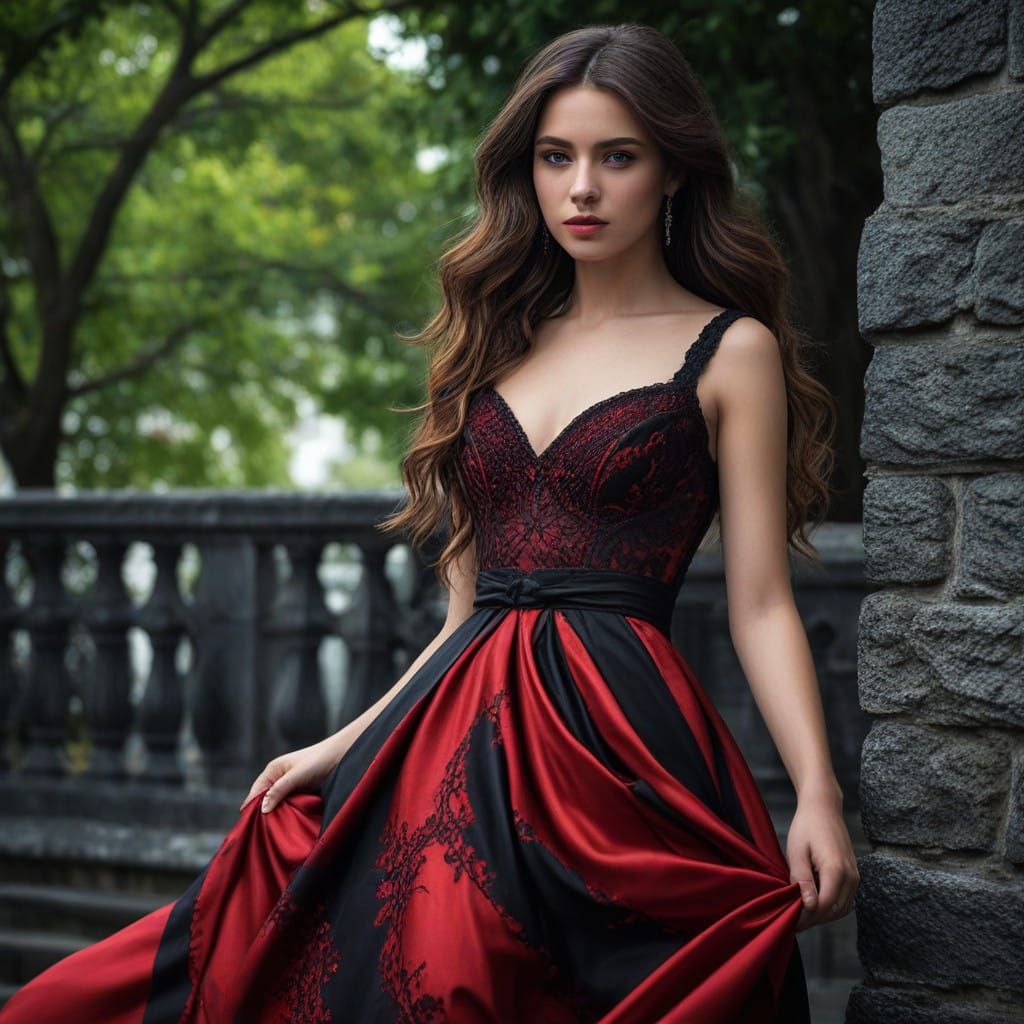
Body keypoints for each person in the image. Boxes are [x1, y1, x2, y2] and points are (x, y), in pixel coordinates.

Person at [1, 21, 858, 1024]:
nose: (581, 187)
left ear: (672, 172)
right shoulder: (492, 342)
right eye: (555, 157)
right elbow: (463, 613)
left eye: (615, 157)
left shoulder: (730, 351)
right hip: (455, 734)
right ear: (526, 172)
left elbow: (759, 603)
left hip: (617, 756)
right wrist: (346, 737)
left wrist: (817, 793)